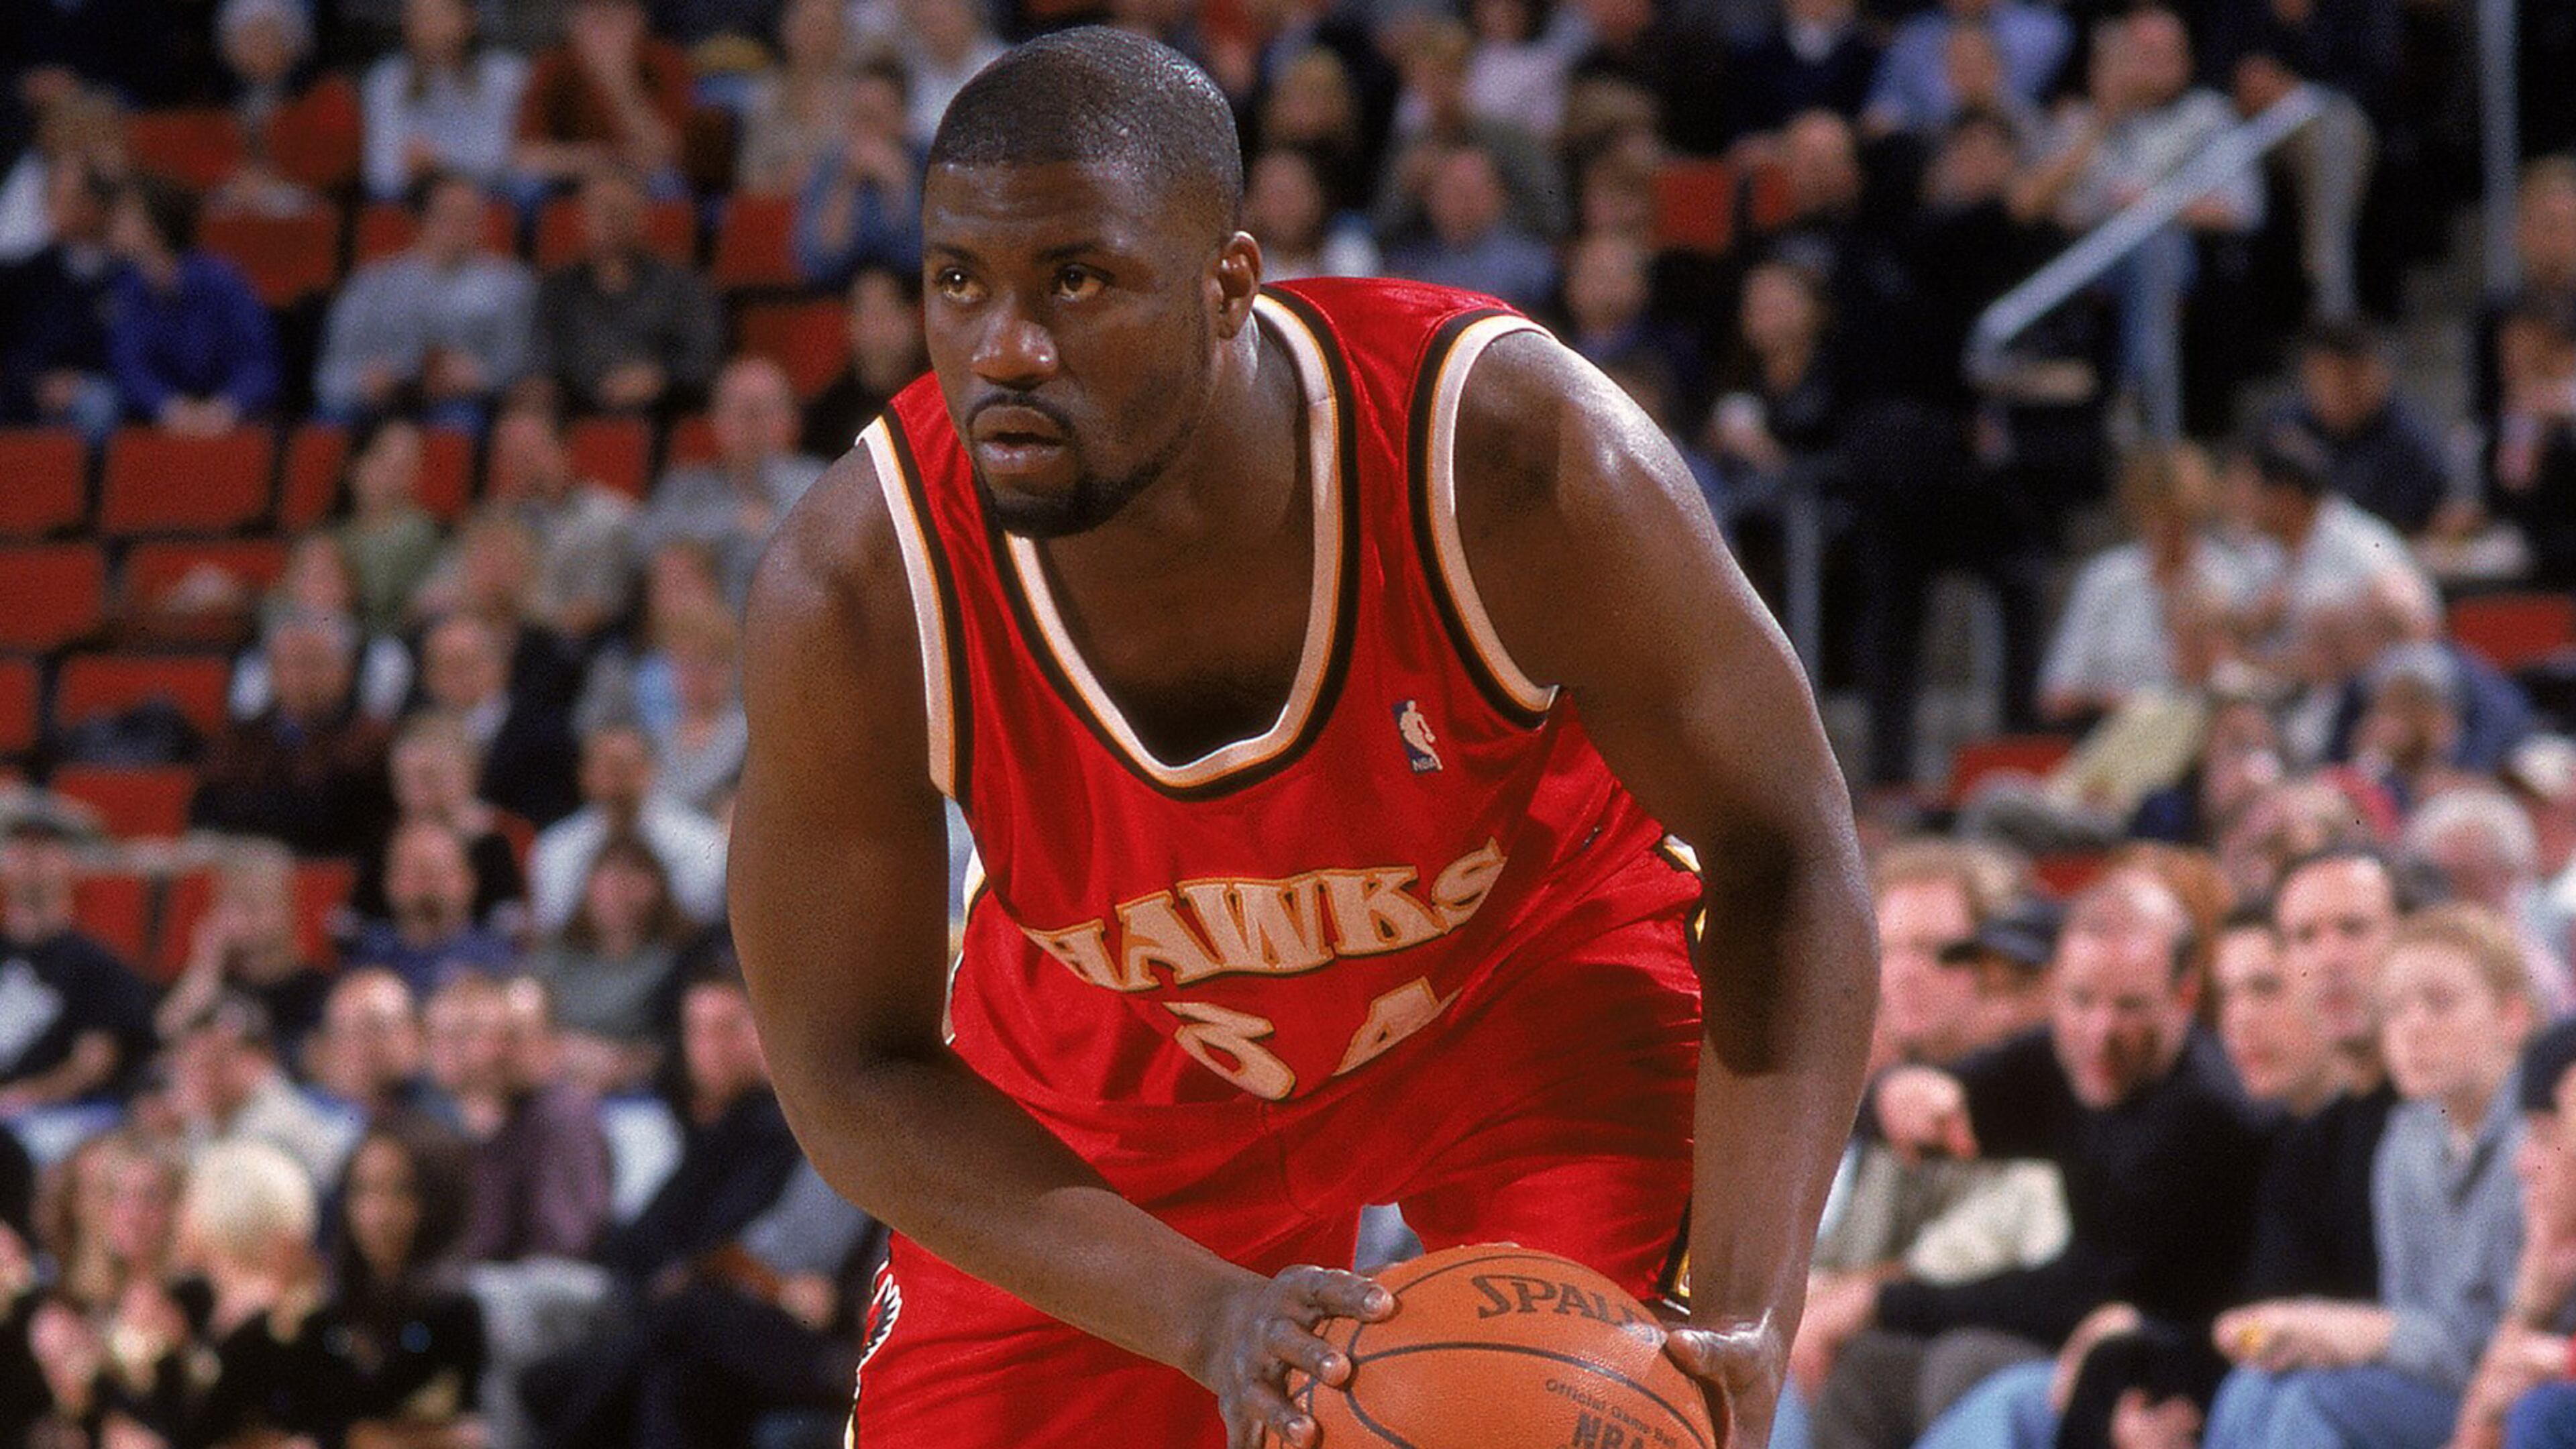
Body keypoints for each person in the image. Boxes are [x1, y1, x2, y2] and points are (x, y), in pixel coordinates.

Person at [729, 28, 1875, 1449]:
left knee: (1603, 1417)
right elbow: (851, 1067)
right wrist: (1200, 1314)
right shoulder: (856, 590)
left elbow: (1787, 852)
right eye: (959, 282)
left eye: (1077, 280)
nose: (1005, 349)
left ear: (1229, 286)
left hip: (1527, 988)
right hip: (1125, 1052)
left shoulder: (1513, 455)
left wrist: (1749, 1311)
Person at [1814, 869, 2271, 1449]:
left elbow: (2083, 1290)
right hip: (2096, 1336)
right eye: (2080, 1000)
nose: (2100, 1032)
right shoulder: (2070, 1056)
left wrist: (1882, 1302)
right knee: (1866, 1373)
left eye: (2130, 1007)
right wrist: (1897, 1092)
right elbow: (1935, 1101)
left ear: (2184, 994)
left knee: (1966, 1363)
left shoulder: (2203, 1112)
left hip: (2170, 1362)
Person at [2201, 904, 2538, 1449]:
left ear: (2511, 1016)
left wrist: (2362, 1334)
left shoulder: (2542, 1137)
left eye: (2440, 1003)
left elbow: (2516, 1337)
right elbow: (2410, 1313)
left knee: (2311, 1403)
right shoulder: (2406, 1138)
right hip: (2440, 1378)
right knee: (2252, 1388)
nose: (2413, 1028)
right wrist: (2327, 1331)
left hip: (2518, 1396)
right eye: (2395, 1010)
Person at [315, 168, 536, 429]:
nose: (465, 226)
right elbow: (329, 377)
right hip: (374, 407)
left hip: (466, 405)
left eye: (473, 215)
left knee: (458, 424)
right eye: (452, 215)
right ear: (421, 220)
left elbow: (525, 370)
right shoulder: (370, 285)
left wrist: (481, 378)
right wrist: (362, 381)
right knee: (328, 424)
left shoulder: (511, 285)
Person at [189, 608, 400, 858]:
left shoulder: (371, 740)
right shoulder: (240, 738)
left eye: (313, 662)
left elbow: (335, 819)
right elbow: (207, 809)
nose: (300, 675)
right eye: (287, 662)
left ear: (346, 669)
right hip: (241, 862)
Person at [525, 164, 722, 417]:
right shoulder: (557, 290)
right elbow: (542, 359)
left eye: (620, 211)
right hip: (577, 415)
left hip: (663, 414)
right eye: (601, 211)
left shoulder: (683, 286)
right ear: (582, 219)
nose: (610, 221)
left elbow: (703, 357)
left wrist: (659, 377)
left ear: (644, 218)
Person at [633, 355, 827, 608]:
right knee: (674, 567)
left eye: (766, 409)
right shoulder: (686, 486)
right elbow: (643, 547)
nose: (754, 424)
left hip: (794, 617)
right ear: (715, 419)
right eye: (740, 410)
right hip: (705, 622)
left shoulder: (821, 482)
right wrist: (734, 522)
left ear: (792, 418)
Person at [0, 815, 157, 1117]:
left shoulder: (99, 966)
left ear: (72, 865)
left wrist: (22, 1097)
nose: (32, 859)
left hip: (61, 1115)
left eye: (45, 846)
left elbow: (93, 1064)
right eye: (21, 846)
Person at [103, 173, 281, 435]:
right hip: (160, 424)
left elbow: (258, 363)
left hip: (233, 419)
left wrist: (226, 407)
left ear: (155, 224)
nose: (111, 224)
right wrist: (168, 407)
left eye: (123, 216)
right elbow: (129, 366)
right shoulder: (125, 288)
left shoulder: (221, 280)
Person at [361, 0, 531, 200]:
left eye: (441, 15)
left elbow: (513, 156)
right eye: (420, 17)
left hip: (493, 194)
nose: (432, 26)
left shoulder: (506, 74)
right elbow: (381, 174)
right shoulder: (387, 80)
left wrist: (440, 163)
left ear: (470, 19)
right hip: (417, 199)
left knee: (528, 188)